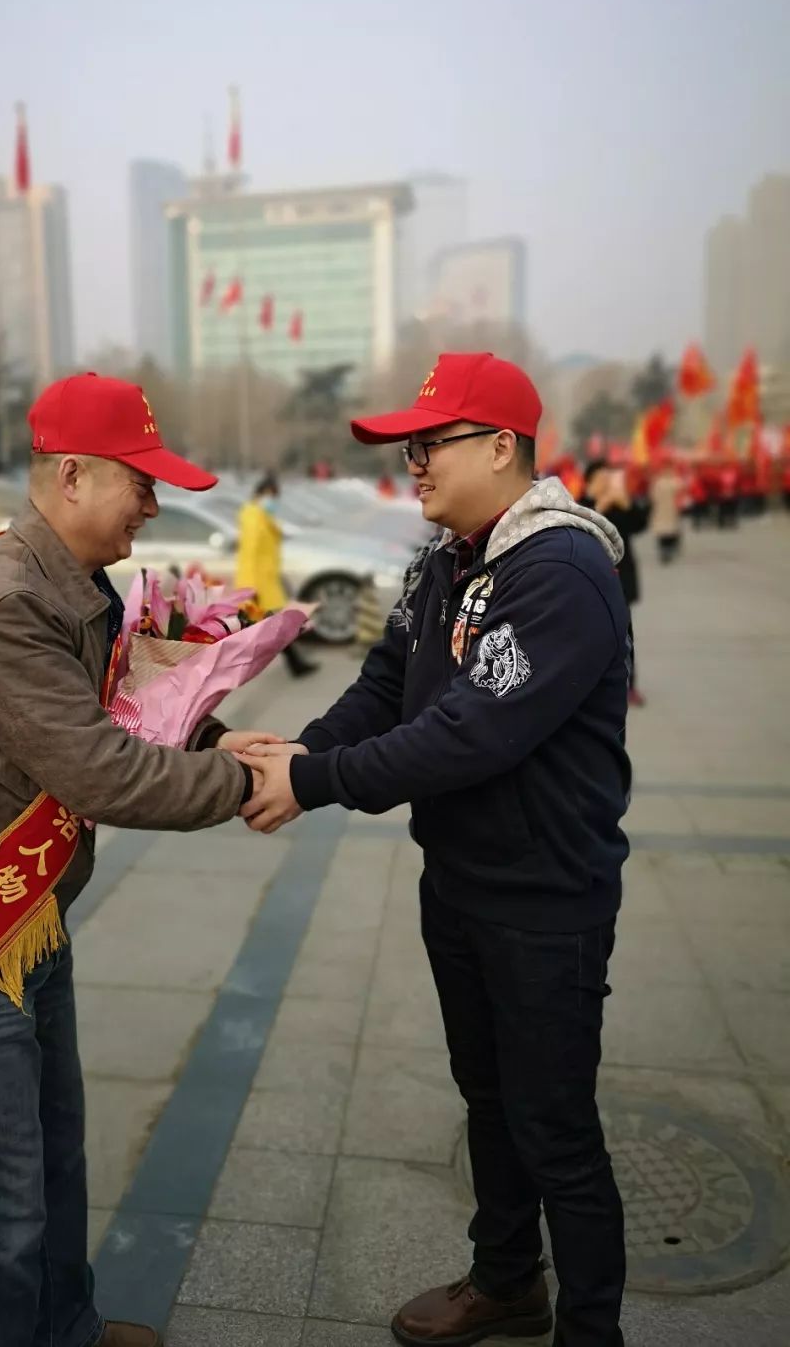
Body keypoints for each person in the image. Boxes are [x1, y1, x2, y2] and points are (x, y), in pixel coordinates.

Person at [0, 374, 279, 1347]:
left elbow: (114, 711)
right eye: (142, 482)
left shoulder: (71, 579)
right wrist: (249, 785)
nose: (154, 503)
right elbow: (103, 772)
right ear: (76, 475)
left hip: (22, 914)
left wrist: (214, 739)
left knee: (53, 1155)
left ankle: (70, 1330)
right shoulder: (10, 600)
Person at [241, 352, 631, 1347]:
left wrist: (315, 784)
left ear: (502, 446)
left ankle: (592, 1329)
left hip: (544, 898)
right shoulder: (448, 554)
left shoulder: (559, 568)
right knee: (487, 1096)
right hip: (459, 881)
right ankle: (507, 1280)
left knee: (556, 1128)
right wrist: (305, 747)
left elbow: (471, 731)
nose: (411, 463)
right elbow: (386, 681)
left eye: (428, 443)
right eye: (405, 446)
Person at [235, 473, 318, 678]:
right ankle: (295, 665)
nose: (272, 500)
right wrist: (250, 587)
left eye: (274, 496)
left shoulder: (262, 516)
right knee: (272, 629)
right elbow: (250, 553)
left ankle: (295, 665)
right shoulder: (254, 517)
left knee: (268, 629)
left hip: (267, 580)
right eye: (270, 495)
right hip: (258, 584)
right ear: (260, 494)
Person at [581, 459, 649, 707]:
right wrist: (600, 506)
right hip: (590, 581)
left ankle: (630, 686)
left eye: (609, 478)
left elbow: (640, 525)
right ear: (590, 481)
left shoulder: (619, 504)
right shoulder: (579, 505)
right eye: (602, 479)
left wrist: (626, 504)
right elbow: (584, 528)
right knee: (592, 635)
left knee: (624, 635)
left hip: (621, 578)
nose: (607, 483)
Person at [649, 457, 683, 564]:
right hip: (661, 511)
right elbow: (653, 496)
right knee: (663, 532)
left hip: (671, 510)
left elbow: (681, 493)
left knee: (670, 531)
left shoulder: (675, 481)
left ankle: (669, 550)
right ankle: (664, 551)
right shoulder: (659, 482)